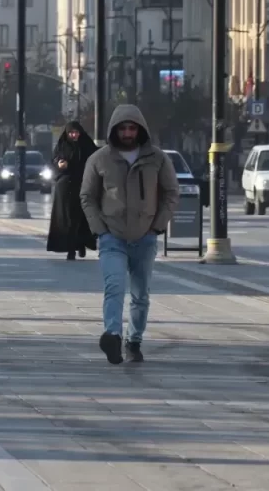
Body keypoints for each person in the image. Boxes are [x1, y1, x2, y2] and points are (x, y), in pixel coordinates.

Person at [80, 105, 179, 365]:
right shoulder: (100, 159)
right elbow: (87, 196)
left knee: (140, 294)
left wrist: (158, 225)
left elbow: (171, 193)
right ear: (114, 130)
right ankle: (112, 335)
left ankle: (134, 340)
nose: (127, 133)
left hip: (145, 236)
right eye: (122, 128)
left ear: (140, 130)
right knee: (114, 287)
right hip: (112, 235)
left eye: (131, 128)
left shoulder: (157, 159)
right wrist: (99, 228)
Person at [46, 121, 98, 260]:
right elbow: (55, 160)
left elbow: (96, 158)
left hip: (84, 184)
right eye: (71, 132)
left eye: (76, 132)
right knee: (67, 217)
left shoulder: (87, 145)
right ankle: (70, 249)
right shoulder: (62, 146)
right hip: (65, 186)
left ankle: (80, 244)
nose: (73, 135)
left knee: (82, 217)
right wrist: (60, 163)